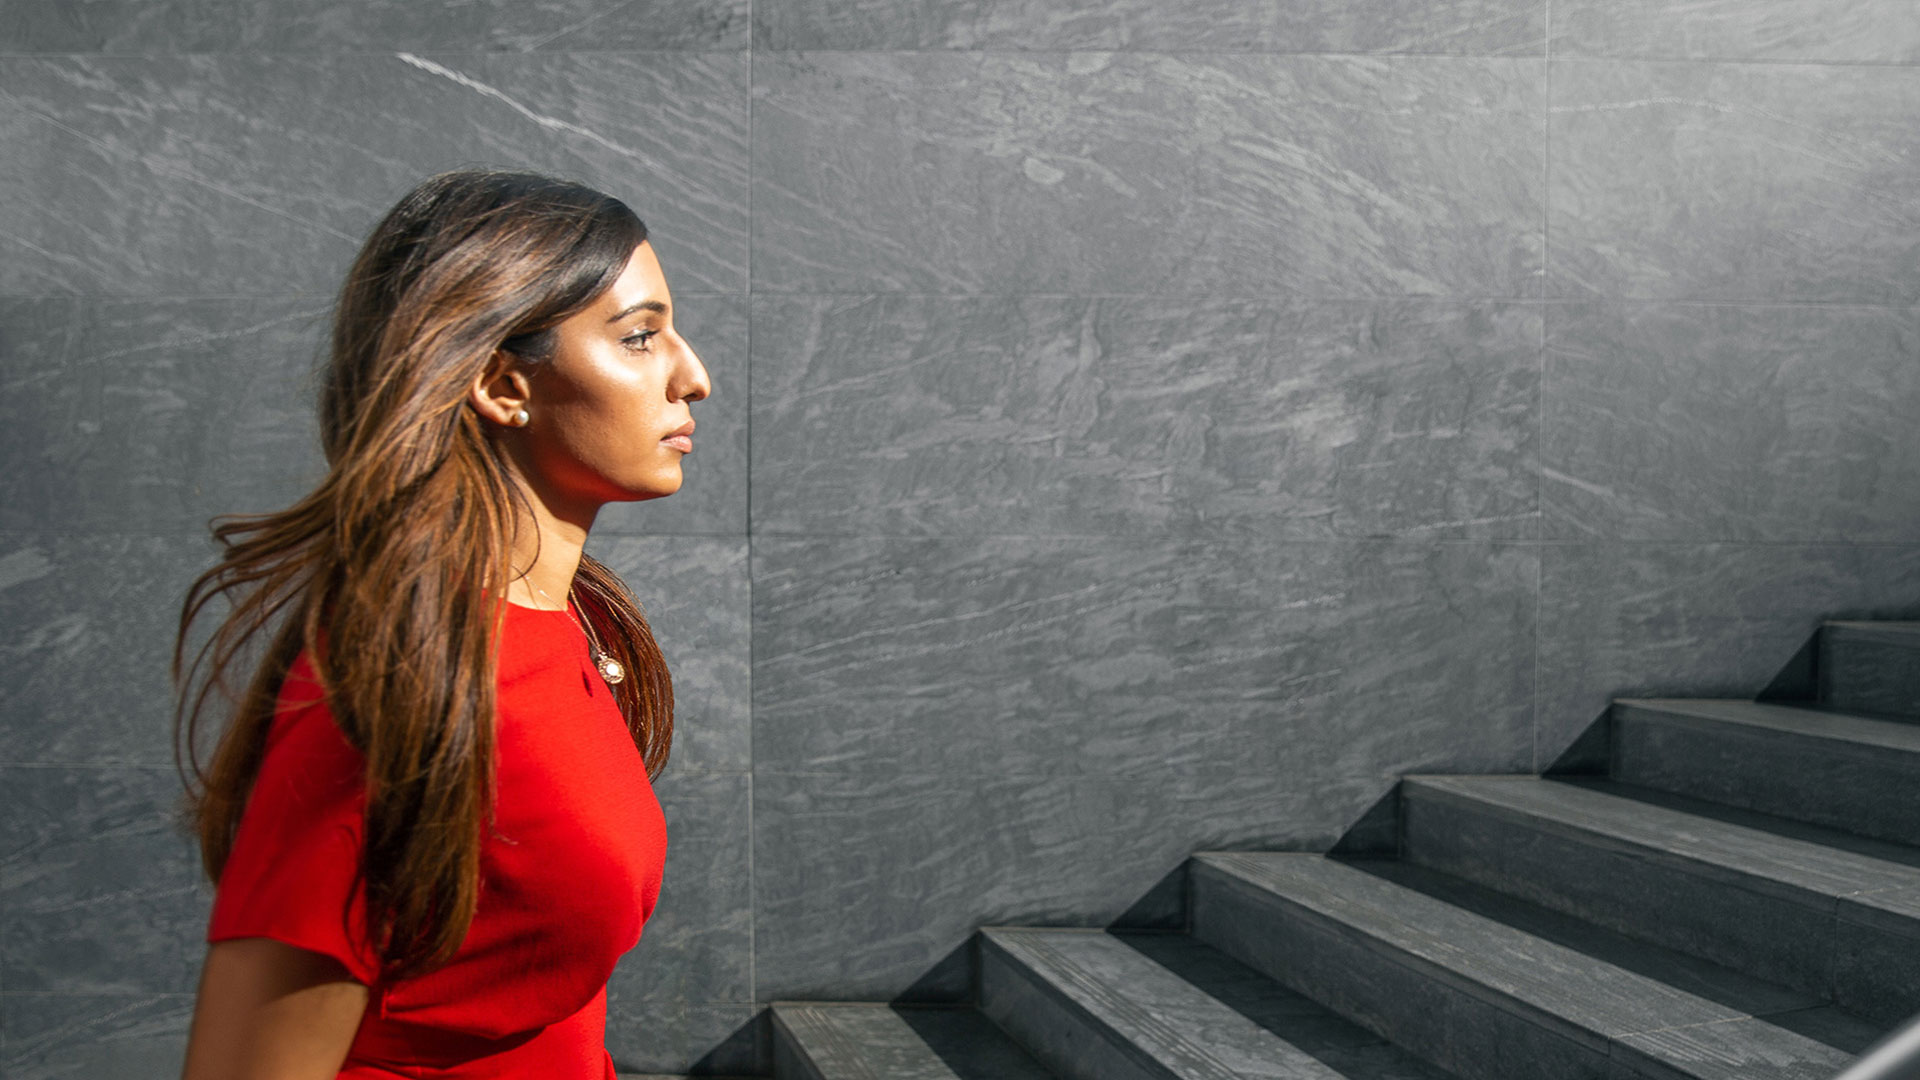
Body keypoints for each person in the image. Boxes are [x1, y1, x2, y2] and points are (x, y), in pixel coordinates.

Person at [170, 168, 712, 1078]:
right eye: (641, 338)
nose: (692, 377)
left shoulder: (576, 622)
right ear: (505, 384)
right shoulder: (400, 684)